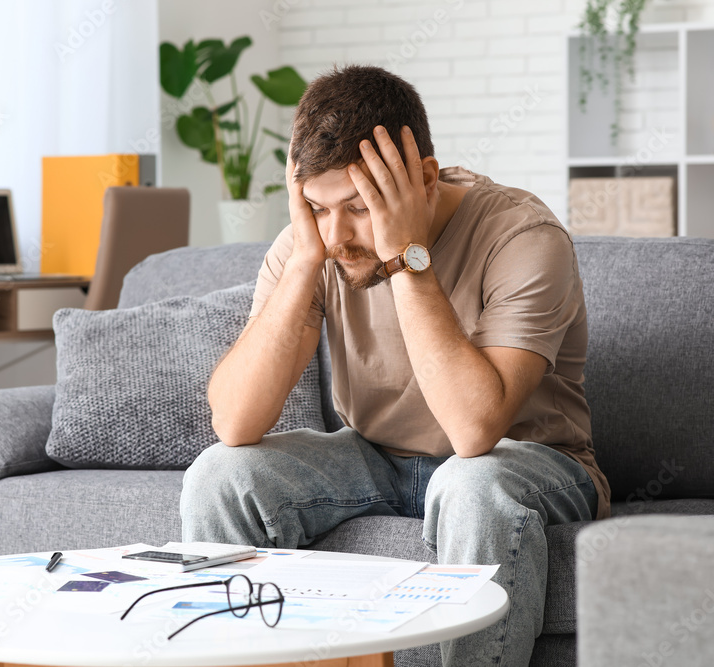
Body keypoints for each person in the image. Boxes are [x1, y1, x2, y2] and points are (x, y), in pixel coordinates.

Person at [180, 63, 611, 667]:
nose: (337, 234)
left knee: (470, 483)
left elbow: (473, 431)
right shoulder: (315, 246)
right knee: (218, 474)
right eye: (317, 207)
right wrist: (305, 261)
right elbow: (234, 423)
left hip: (526, 462)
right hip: (377, 458)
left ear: (424, 180)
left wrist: (407, 258)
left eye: (358, 206)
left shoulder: (523, 237)